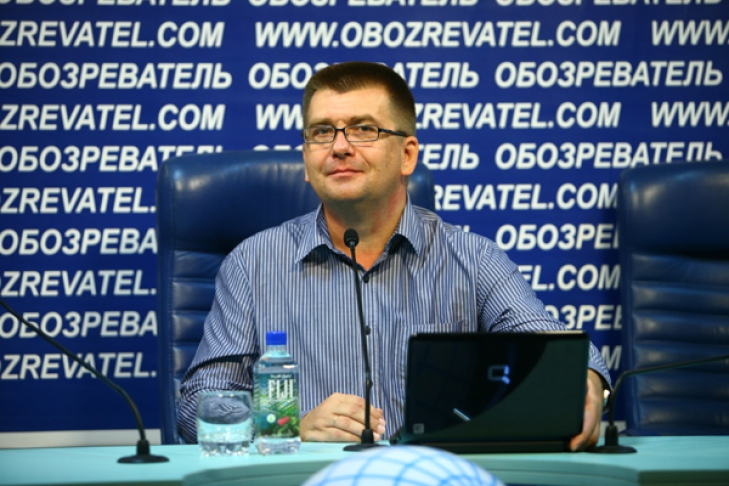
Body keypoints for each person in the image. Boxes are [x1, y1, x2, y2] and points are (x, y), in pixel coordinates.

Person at [177, 61, 611, 451]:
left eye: (363, 129)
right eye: (322, 132)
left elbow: (555, 354)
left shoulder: (473, 260)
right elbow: (197, 406)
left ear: (407, 155)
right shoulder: (253, 264)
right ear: (307, 161)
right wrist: (288, 425)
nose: (340, 146)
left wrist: (588, 383)